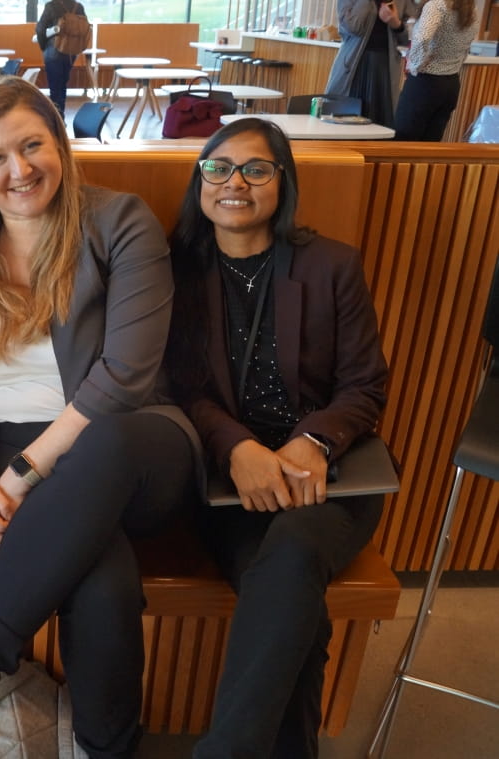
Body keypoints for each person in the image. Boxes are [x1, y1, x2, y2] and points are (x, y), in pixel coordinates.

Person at [0, 77, 199, 759]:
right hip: (9, 454)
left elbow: (123, 378)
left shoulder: (120, 221)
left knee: (108, 445)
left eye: (34, 145)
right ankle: (108, 747)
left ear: (60, 144)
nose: (19, 169)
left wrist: (24, 476)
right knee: (103, 579)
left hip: (135, 442)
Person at [165, 118, 388, 759]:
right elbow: (176, 387)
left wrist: (311, 443)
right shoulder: (173, 270)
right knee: (296, 609)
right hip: (227, 479)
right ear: (199, 180)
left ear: (282, 182)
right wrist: (238, 448)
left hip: (333, 475)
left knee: (292, 551)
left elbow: (365, 386)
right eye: (218, 167)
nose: (235, 182)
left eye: (256, 169)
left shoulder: (332, 266)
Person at [325, 0, 419, 127]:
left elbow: (409, 39)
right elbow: (353, 27)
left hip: (386, 69)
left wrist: (396, 24)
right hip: (354, 66)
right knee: (344, 123)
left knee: (381, 126)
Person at [393, 0, 477, 141]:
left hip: (426, 82)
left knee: (404, 141)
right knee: (431, 145)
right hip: (451, 83)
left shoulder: (436, 5)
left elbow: (422, 38)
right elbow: (467, 43)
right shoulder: (470, 8)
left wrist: (413, 65)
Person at [35, 0, 86, 118]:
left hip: (54, 50)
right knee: (62, 85)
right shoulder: (78, 7)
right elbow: (84, 29)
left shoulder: (51, 6)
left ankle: (56, 119)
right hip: (71, 52)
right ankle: (60, 116)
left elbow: (40, 29)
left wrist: (44, 46)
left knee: (55, 88)